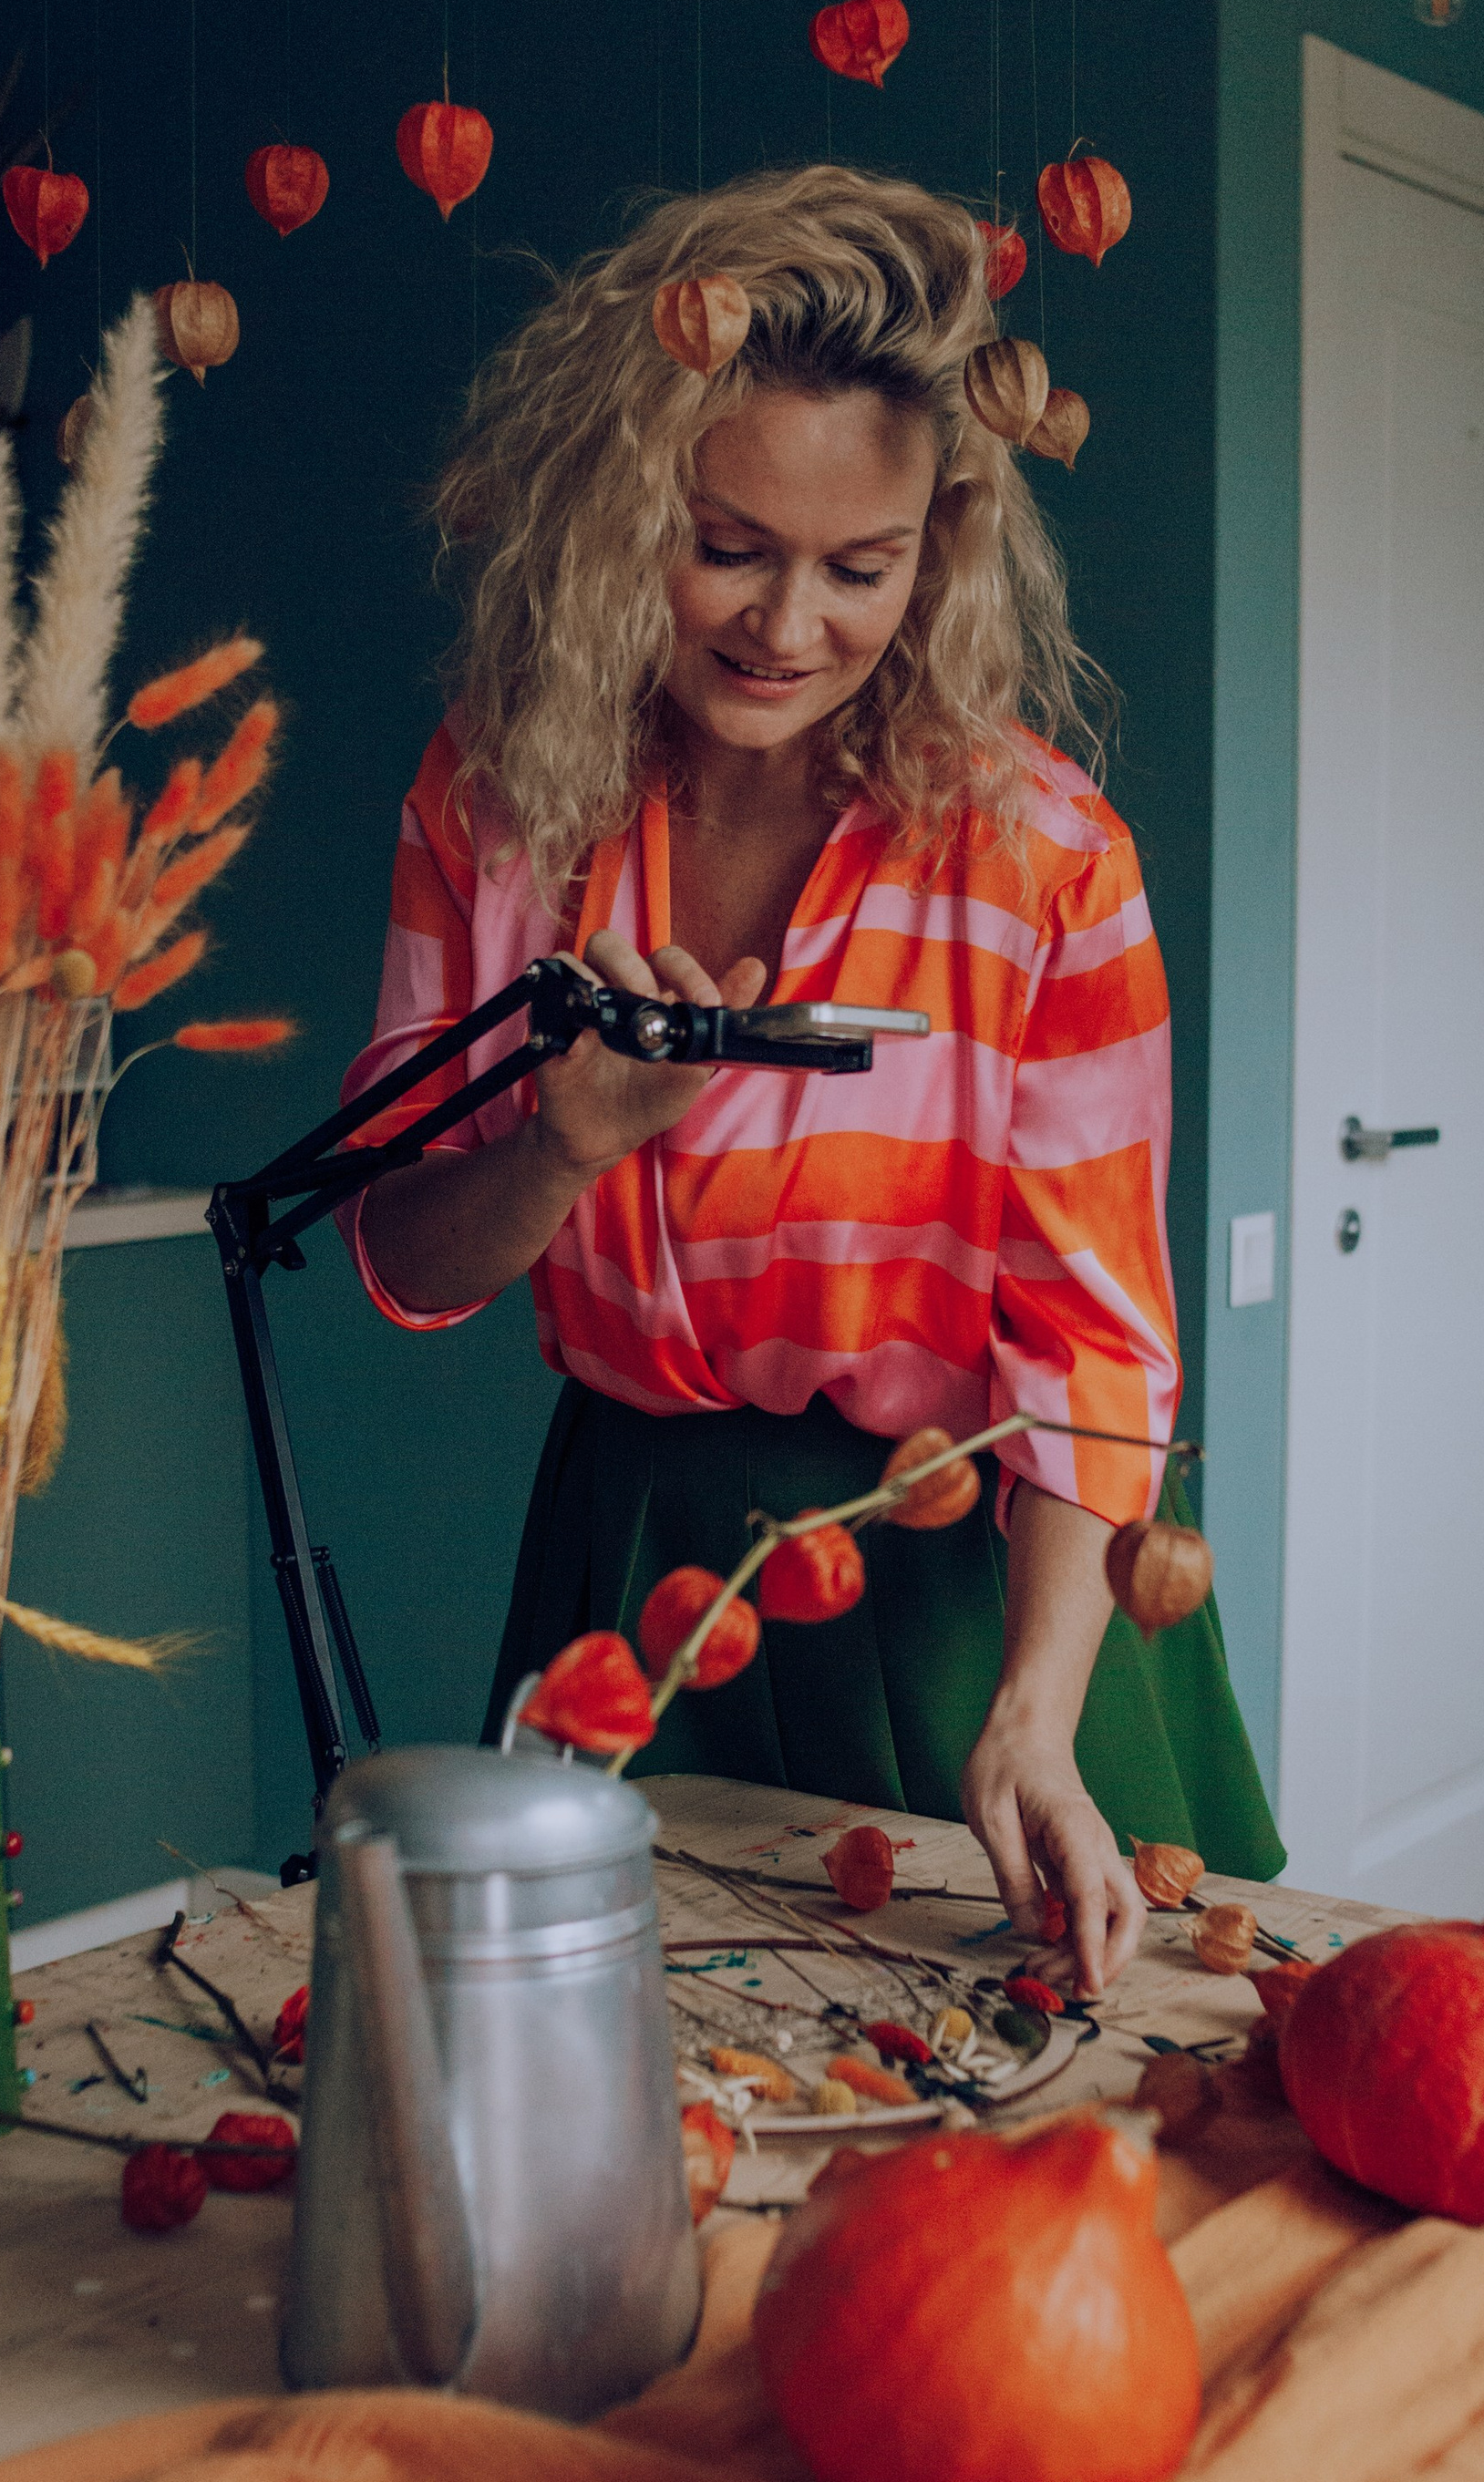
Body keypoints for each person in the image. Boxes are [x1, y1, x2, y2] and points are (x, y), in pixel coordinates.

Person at [346, 163, 1283, 1993]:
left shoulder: (1044, 861)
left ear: (936, 549)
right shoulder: (495, 802)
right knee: (628, 2074)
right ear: (622, 518)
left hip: (979, 1580)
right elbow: (400, 1250)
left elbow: (1094, 1346)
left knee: (1032, 2087)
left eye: (860, 567)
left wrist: (1030, 1718)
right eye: (727, 547)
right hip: (641, 1547)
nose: (789, 624)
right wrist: (558, 1147)